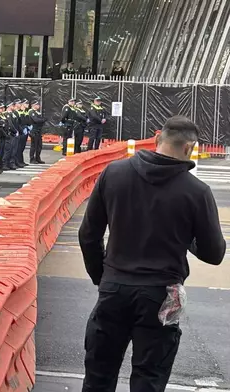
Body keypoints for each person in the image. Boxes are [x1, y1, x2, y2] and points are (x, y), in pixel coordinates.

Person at [78, 116, 226, 392]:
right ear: (189, 148)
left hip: (114, 287)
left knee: (99, 373)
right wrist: (187, 238)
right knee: (149, 378)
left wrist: (104, 277)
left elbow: (88, 235)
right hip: (162, 294)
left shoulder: (113, 173)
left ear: (158, 139)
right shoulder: (196, 192)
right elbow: (214, 253)